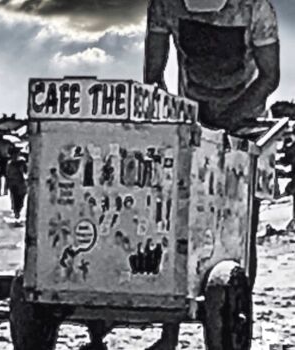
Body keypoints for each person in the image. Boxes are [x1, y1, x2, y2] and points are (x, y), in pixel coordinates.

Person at [144, 0, 280, 348]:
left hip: (245, 121)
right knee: (177, 225)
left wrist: (228, 121)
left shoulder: (253, 8)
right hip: (192, 122)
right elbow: (153, 75)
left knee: (240, 229)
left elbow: (269, 76)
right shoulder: (165, 5)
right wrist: (173, 115)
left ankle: (233, 328)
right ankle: (168, 334)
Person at [6, 147, 28, 219]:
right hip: (13, 184)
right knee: (15, 199)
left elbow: (26, 171)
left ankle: (18, 210)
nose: (15, 156)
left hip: (21, 184)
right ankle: (16, 212)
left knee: (21, 199)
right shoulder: (10, 164)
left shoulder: (22, 162)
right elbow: (8, 175)